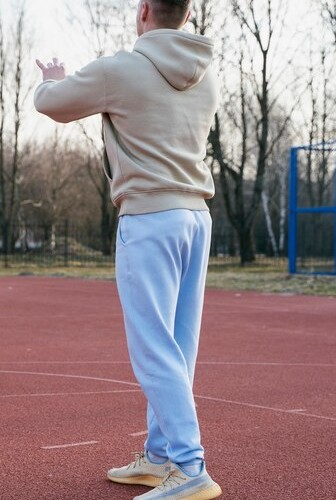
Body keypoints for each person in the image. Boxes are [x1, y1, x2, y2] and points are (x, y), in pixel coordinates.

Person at [33, 1, 221, 499]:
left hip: (150, 217)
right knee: (179, 345)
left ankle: (190, 467)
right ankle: (160, 458)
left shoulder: (123, 68)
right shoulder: (207, 74)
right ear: (186, 13)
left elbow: (52, 104)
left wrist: (52, 77)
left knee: (153, 348)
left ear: (143, 12)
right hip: (196, 218)